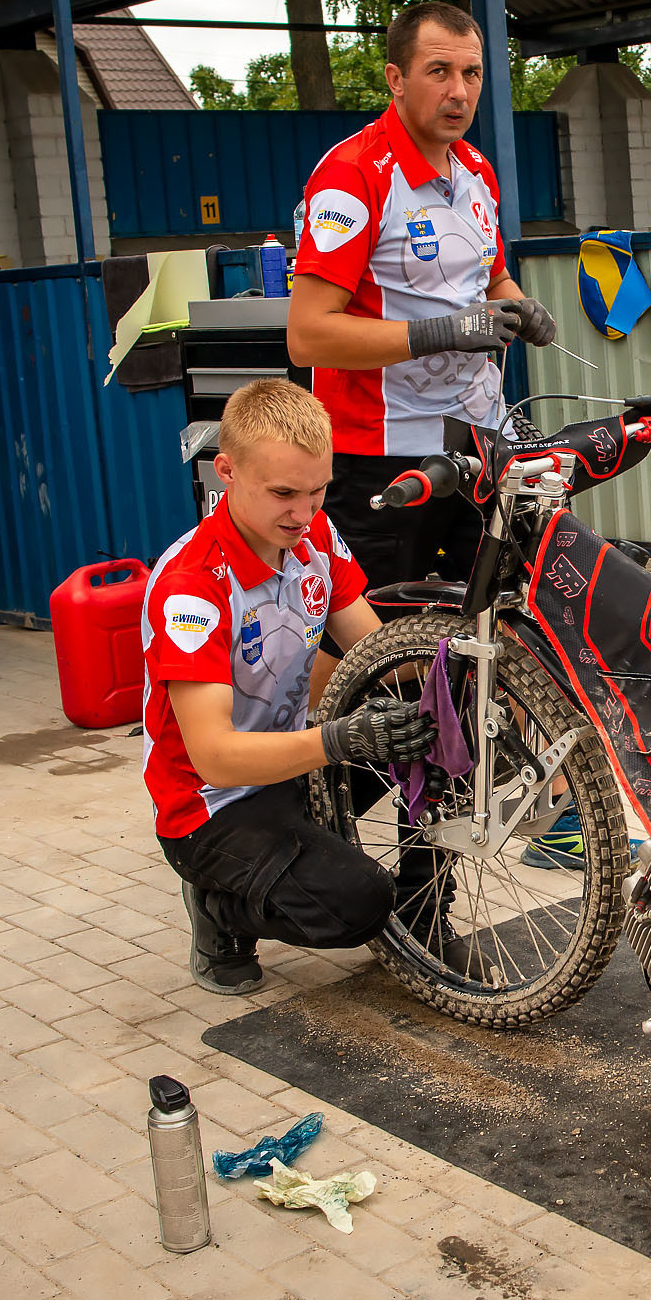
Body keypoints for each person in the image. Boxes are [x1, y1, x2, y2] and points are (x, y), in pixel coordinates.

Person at [141, 380, 436, 995]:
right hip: (213, 806)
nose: (302, 514)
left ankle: (426, 916)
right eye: (282, 494)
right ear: (225, 472)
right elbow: (215, 758)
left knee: (437, 722)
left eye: (317, 490)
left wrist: (474, 658)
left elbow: (377, 653)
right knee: (355, 903)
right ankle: (219, 907)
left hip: (292, 764)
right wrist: (341, 739)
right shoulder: (193, 585)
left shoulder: (316, 536)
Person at [287, 0, 559, 590]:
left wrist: (520, 305)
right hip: (382, 457)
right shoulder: (352, 175)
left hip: (480, 443)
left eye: (472, 73)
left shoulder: (477, 170)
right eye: (439, 71)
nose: (458, 91)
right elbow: (307, 337)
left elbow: (490, 278)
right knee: (370, 644)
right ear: (396, 79)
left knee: (499, 622)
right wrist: (437, 333)